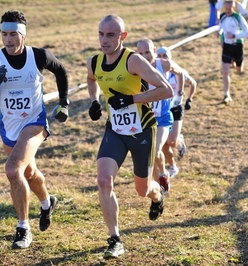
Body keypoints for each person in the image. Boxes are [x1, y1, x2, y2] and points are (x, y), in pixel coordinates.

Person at [0, 10, 69, 249]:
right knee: (28, 173)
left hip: (34, 123)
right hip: (9, 127)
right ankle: (47, 203)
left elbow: (61, 71)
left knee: (13, 170)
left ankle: (23, 228)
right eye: (4, 34)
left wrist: (64, 103)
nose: (8, 39)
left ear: (22, 34)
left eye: (13, 34)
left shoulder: (39, 56)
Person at [86, 14, 173, 259]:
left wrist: (131, 99)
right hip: (115, 130)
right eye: (101, 34)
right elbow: (92, 79)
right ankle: (115, 239)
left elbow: (165, 89)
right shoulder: (94, 62)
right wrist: (94, 101)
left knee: (142, 190)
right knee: (104, 180)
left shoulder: (133, 61)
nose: (104, 40)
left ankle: (158, 195)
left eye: (111, 35)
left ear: (123, 37)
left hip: (143, 130)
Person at [137, 38, 184, 190]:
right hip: (146, 118)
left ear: (154, 50)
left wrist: (179, 94)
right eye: (141, 53)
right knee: (150, 153)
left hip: (163, 117)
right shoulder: (135, 69)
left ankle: (162, 177)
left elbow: (180, 73)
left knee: (156, 149)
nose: (145, 56)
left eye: (148, 52)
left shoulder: (164, 64)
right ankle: (163, 175)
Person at [156, 47, 197, 177]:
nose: (162, 58)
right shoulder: (155, 73)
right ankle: (173, 167)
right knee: (163, 144)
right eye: (160, 55)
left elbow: (193, 83)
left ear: (170, 57)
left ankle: (179, 140)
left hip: (175, 108)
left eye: (165, 55)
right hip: (161, 110)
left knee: (171, 141)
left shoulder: (178, 72)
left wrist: (189, 99)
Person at [218, 0, 248, 103]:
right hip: (227, 46)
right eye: (226, 9)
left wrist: (234, 36)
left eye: (230, 9)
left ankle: (236, 63)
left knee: (239, 70)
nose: (228, 11)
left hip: (237, 46)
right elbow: (221, 28)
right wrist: (221, 37)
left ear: (233, 8)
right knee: (225, 71)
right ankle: (226, 94)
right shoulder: (223, 16)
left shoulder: (238, 18)